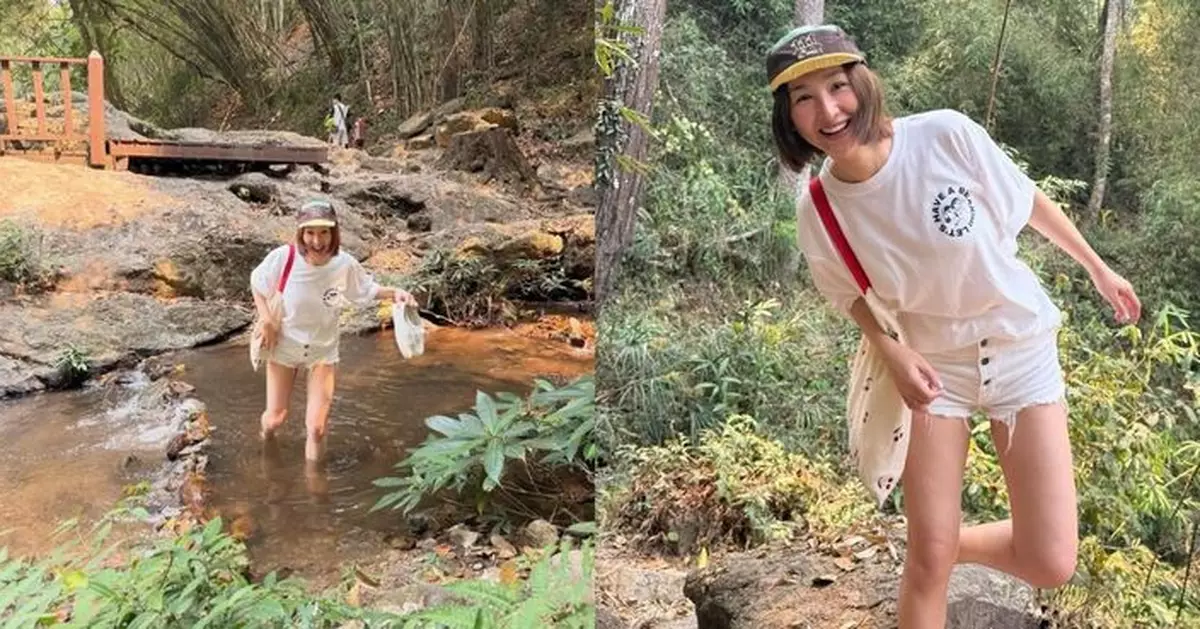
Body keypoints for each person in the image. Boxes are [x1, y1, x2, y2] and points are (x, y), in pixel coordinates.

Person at [765, 25, 1142, 628]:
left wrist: (1097, 268)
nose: (828, 110)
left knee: (1049, 560)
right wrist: (889, 349)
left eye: (837, 86)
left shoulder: (944, 135)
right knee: (925, 569)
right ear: (789, 117)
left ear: (862, 83)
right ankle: (932, 550)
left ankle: (941, 544)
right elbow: (847, 295)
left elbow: (1027, 200)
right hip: (935, 371)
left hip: (1021, 348)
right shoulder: (819, 207)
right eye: (803, 97)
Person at [250, 199, 416, 463]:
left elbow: (366, 290)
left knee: (316, 429)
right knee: (275, 419)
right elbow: (257, 283)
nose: (317, 240)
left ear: (334, 232)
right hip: (284, 345)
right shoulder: (285, 257)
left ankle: (316, 493)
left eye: (324, 232)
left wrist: (397, 293)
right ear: (301, 233)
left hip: (323, 350)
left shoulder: (344, 264)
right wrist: (267, 319)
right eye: (310, 233)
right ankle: (265, 437)